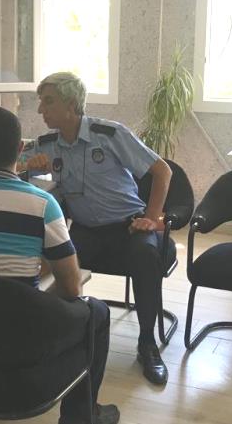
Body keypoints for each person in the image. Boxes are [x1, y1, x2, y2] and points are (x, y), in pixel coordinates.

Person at [0, 106, 120, 424]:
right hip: (21, 339)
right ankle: (82, 416)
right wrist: (38, 299)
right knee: (96, 312)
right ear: (19, 149)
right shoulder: (43, 205)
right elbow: (72, 287)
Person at [24, 72, 174, 386]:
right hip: (86, 230)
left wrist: (151, 218)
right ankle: (59, 337)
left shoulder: (109, 134)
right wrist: (28, 169)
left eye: (48, 102)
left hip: (129, 226)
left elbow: (163, 171)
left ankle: (147, 343)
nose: (40, 110)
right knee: (49, 259)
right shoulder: (47, 145)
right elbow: (10, 169)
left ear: (70, 104)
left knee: (145, 257)